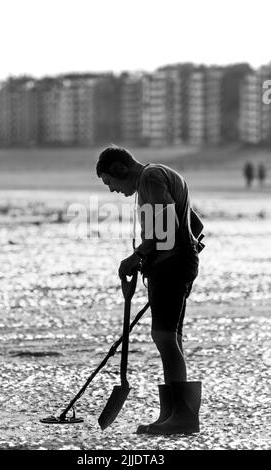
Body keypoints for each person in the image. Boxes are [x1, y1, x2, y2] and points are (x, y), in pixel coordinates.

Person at [96, 146, 202, 436]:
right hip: (174, 264)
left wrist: (138, 255)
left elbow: (166, 225)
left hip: (173, 265)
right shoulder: (155, 178)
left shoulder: (151, 177)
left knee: (164, 336)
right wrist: (181, 251)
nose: (112, 190)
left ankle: (183, 417)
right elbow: (195, 224)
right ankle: (172, 414)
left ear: (120, 169)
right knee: (170, 337)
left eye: (110, 182)